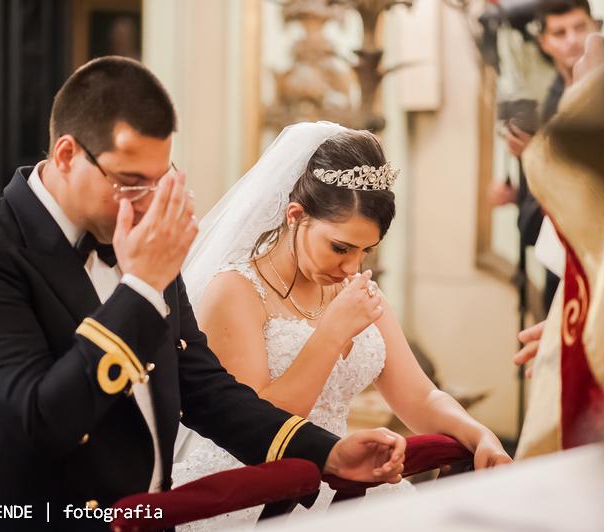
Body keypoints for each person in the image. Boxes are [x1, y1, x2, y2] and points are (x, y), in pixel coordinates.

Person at [0, 57, 406, 532]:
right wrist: (141, 288)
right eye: (130, 183)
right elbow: (44, 418)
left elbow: (208, 392)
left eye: (159, 180)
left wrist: (326, 451)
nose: (149, 201)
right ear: (66, 155)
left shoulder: (143, 244)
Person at [172, 122, 512, 530]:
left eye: (366, 251)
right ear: (296, 216)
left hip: (345, 484)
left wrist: (479, 436)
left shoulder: (355, 292)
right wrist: (331, 334)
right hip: (254, 493)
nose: (353, 267)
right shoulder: (236, 291)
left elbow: (420, 397)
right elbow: (258, 426)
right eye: (340, 247)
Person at [489, 0, 600, 312]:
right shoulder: (550, 98)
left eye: (580, 28)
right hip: (554, 254)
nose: (572, 40)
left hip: (590, 255)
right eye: (560, 33)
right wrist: (517, 194)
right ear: (545, 43)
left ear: (597, 27)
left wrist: (535, 155)